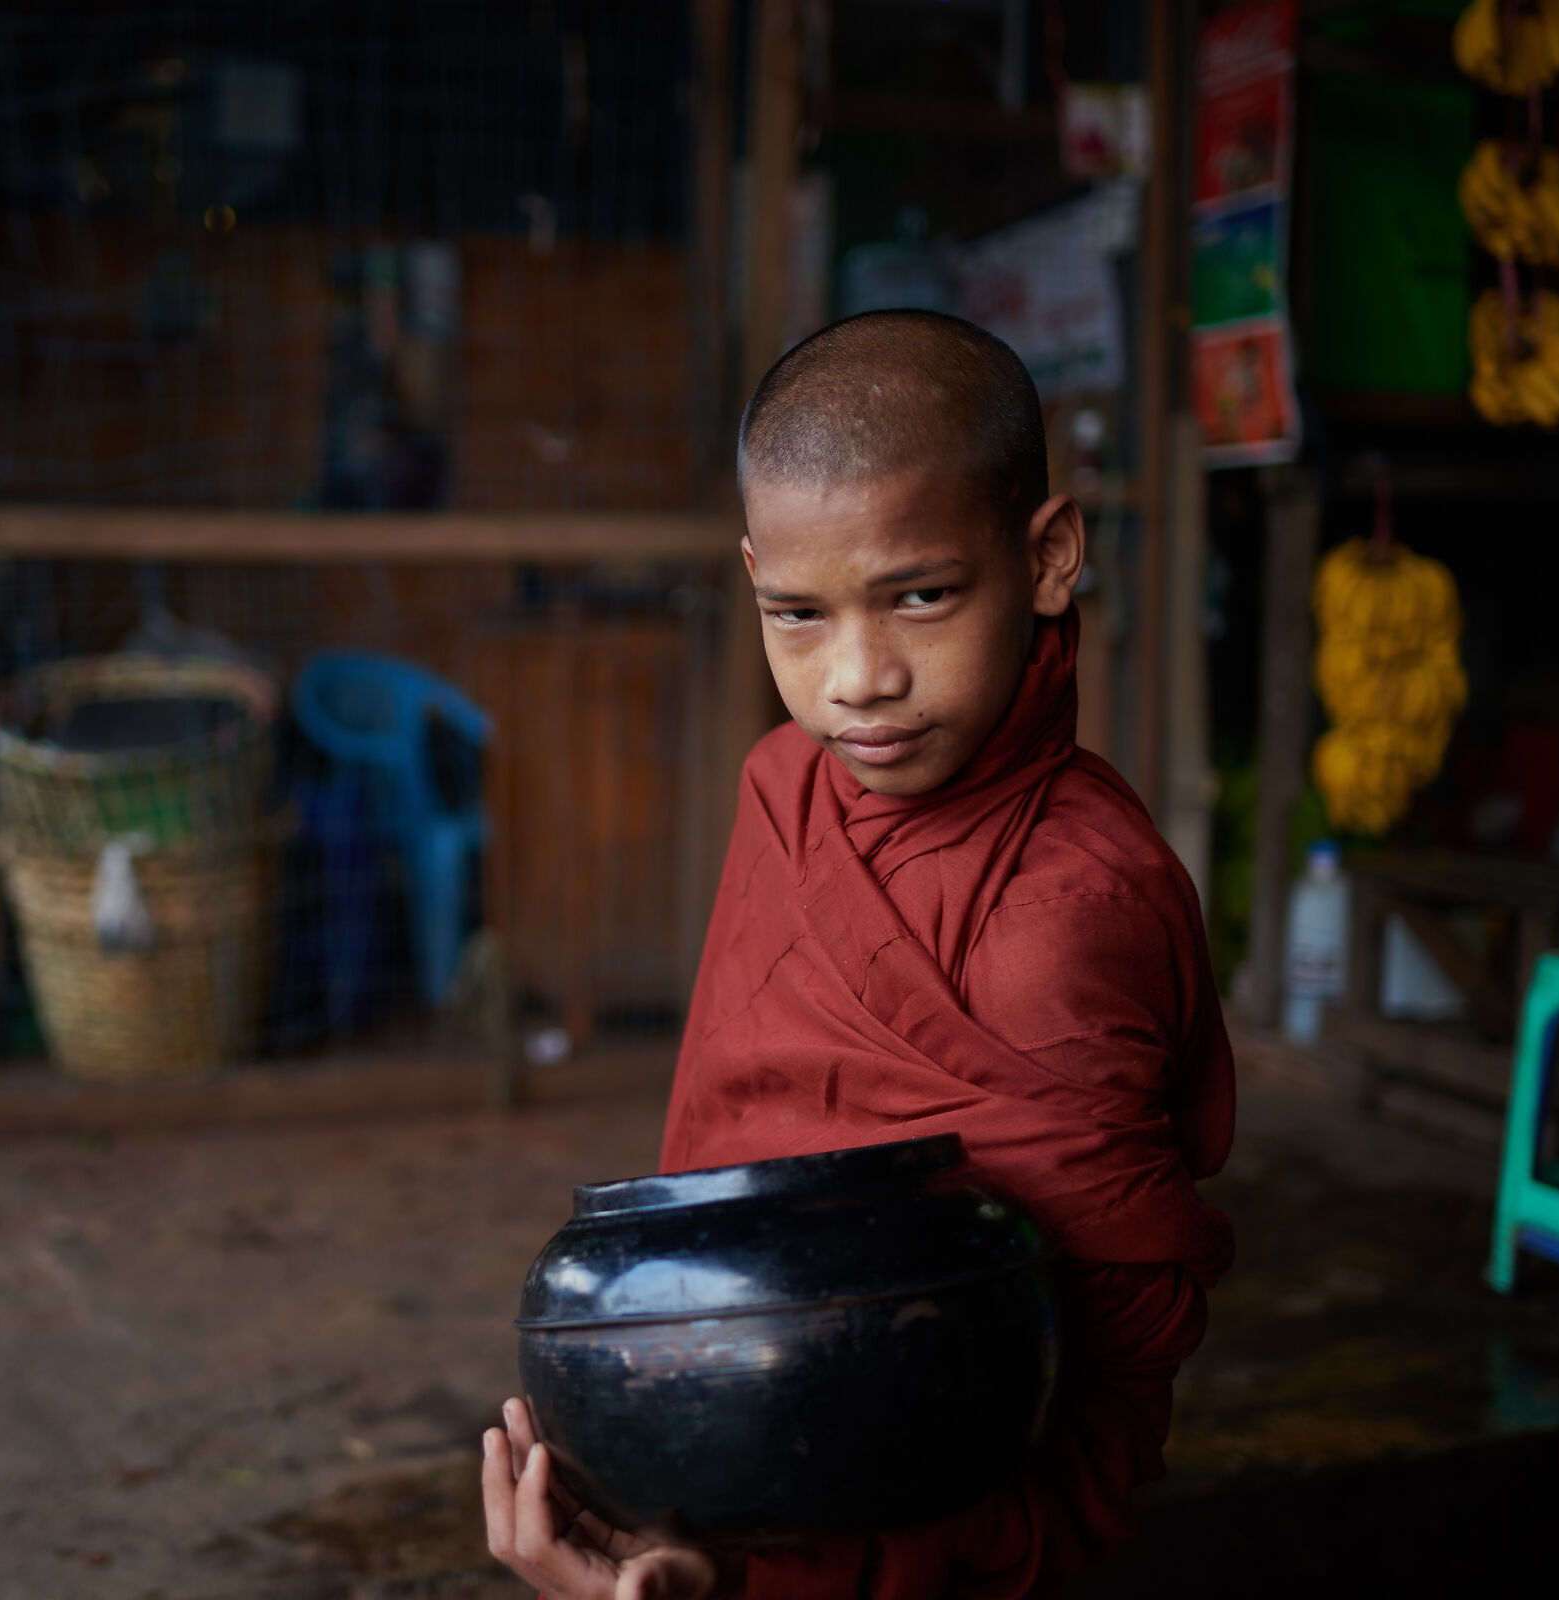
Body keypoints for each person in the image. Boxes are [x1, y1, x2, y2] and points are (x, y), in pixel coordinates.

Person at [479, 310, 1234, 1600]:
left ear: (1049, 557)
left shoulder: (1067, 908)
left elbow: (1093, 1377)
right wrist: (662, 1455)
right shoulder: (785, 790)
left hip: (970, 1529)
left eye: (921, 596)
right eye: (797, 614)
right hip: (737, 1466)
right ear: (752, 581)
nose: (856, 680)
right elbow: (724, 1166)